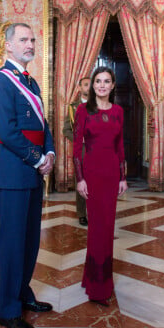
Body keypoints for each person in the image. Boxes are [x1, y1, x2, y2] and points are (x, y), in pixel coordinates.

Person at [0, 23, 55, 328]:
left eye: (32, 40)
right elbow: (8, 132)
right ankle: (7, 311)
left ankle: (23, 294)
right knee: (13, 243)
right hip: (13, 171)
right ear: (8, 46)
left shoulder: (31, 81)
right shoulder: (0, 81)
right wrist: (38, 158)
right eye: (23, 40)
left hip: (32, 171)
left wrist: (50, 152)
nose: (30, 44)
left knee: (29, 241)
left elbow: (43, 124)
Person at [73, 66, 127, 306]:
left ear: (112, 85)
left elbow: (120, 146)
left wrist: (123, 177)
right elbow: (76, 148)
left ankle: (101, 279)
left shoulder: (118, 111)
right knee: (96, 229)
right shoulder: (83, 110)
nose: (102, 85)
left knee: (108, 227)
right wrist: (80, 179)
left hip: (111, 174)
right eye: (98, 81)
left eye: (107, 81)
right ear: (92, 85)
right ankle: (96, 286)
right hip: (92, 174)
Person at [62, 77, 91, 226]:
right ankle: (81, 214)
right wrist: (79, 140)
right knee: (82, 182)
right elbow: (66, 129)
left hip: (98, 150)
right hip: (82, 151)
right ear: (80, 88)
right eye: (86, 85)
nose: (89, 87)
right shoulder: (73, 108)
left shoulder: (100, 105)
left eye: (91, 84)